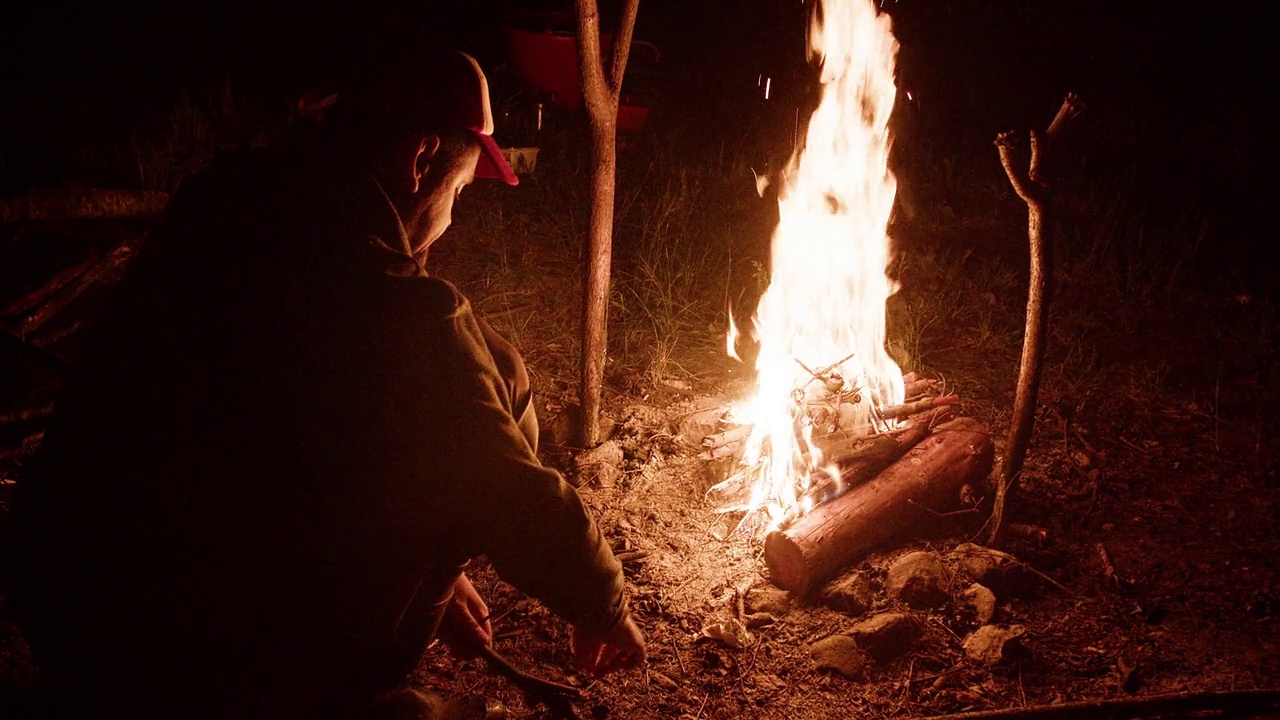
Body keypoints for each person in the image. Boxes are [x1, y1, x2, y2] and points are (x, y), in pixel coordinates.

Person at [1, 47, 645, 719]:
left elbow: (269, 439)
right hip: (207, 664)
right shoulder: (398, 306)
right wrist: (602, 605)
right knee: (498, 381)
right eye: (459, 193)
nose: (451, 219)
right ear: (422, 158)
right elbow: (505, 487)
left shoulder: (216, 207)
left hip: (67, 608)